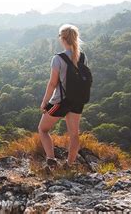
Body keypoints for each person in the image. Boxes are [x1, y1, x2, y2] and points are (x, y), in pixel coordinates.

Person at [37, 23, 88, 170]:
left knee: (43, 129)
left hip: (60, 102)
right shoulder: (83, 57)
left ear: (63, 38)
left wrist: (45, 102)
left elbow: (52, 83)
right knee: (74, 134)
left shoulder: (58, 59)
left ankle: (51, 160)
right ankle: (69, 165)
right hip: (77, 101)